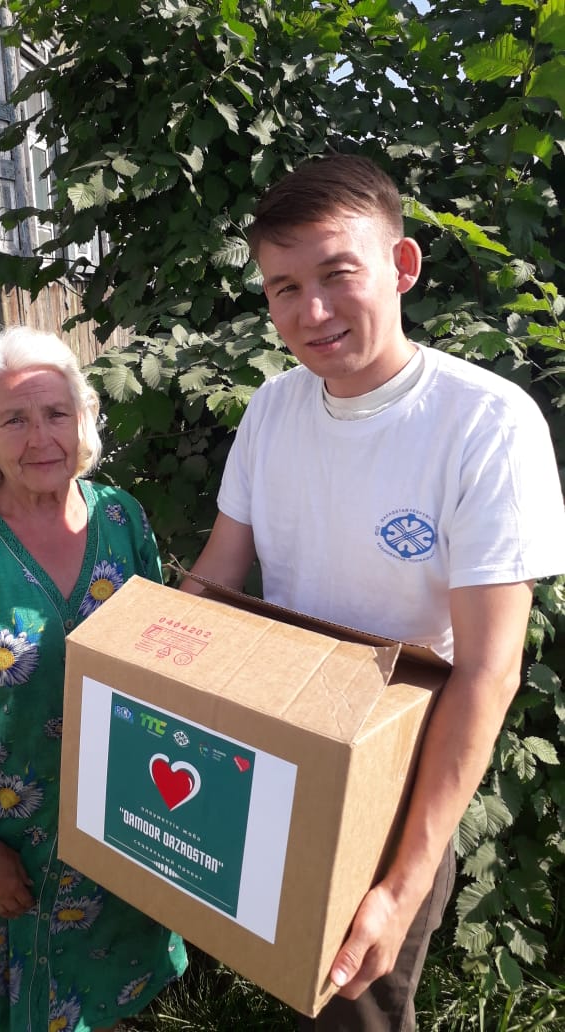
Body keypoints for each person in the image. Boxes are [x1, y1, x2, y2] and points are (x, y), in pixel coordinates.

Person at [180, 153, 565, 1031]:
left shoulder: (485, 423)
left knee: (355, 1008)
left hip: (393, 788)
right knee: (286, 973)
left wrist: (402, 883)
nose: (310, 312)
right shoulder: (272, 410)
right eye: (284, 288)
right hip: (273, 743)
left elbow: (490, 672)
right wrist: (126, 675)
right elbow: (215, 579)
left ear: (402, 266)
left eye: (336, 274)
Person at [0, 327, 187, 1032]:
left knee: (105, 992)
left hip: (116, 819)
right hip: (2, 836)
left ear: (82, 421)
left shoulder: (121, 518)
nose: (41, 437)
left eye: (56, 413)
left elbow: (161, 663)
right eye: (15, 420)